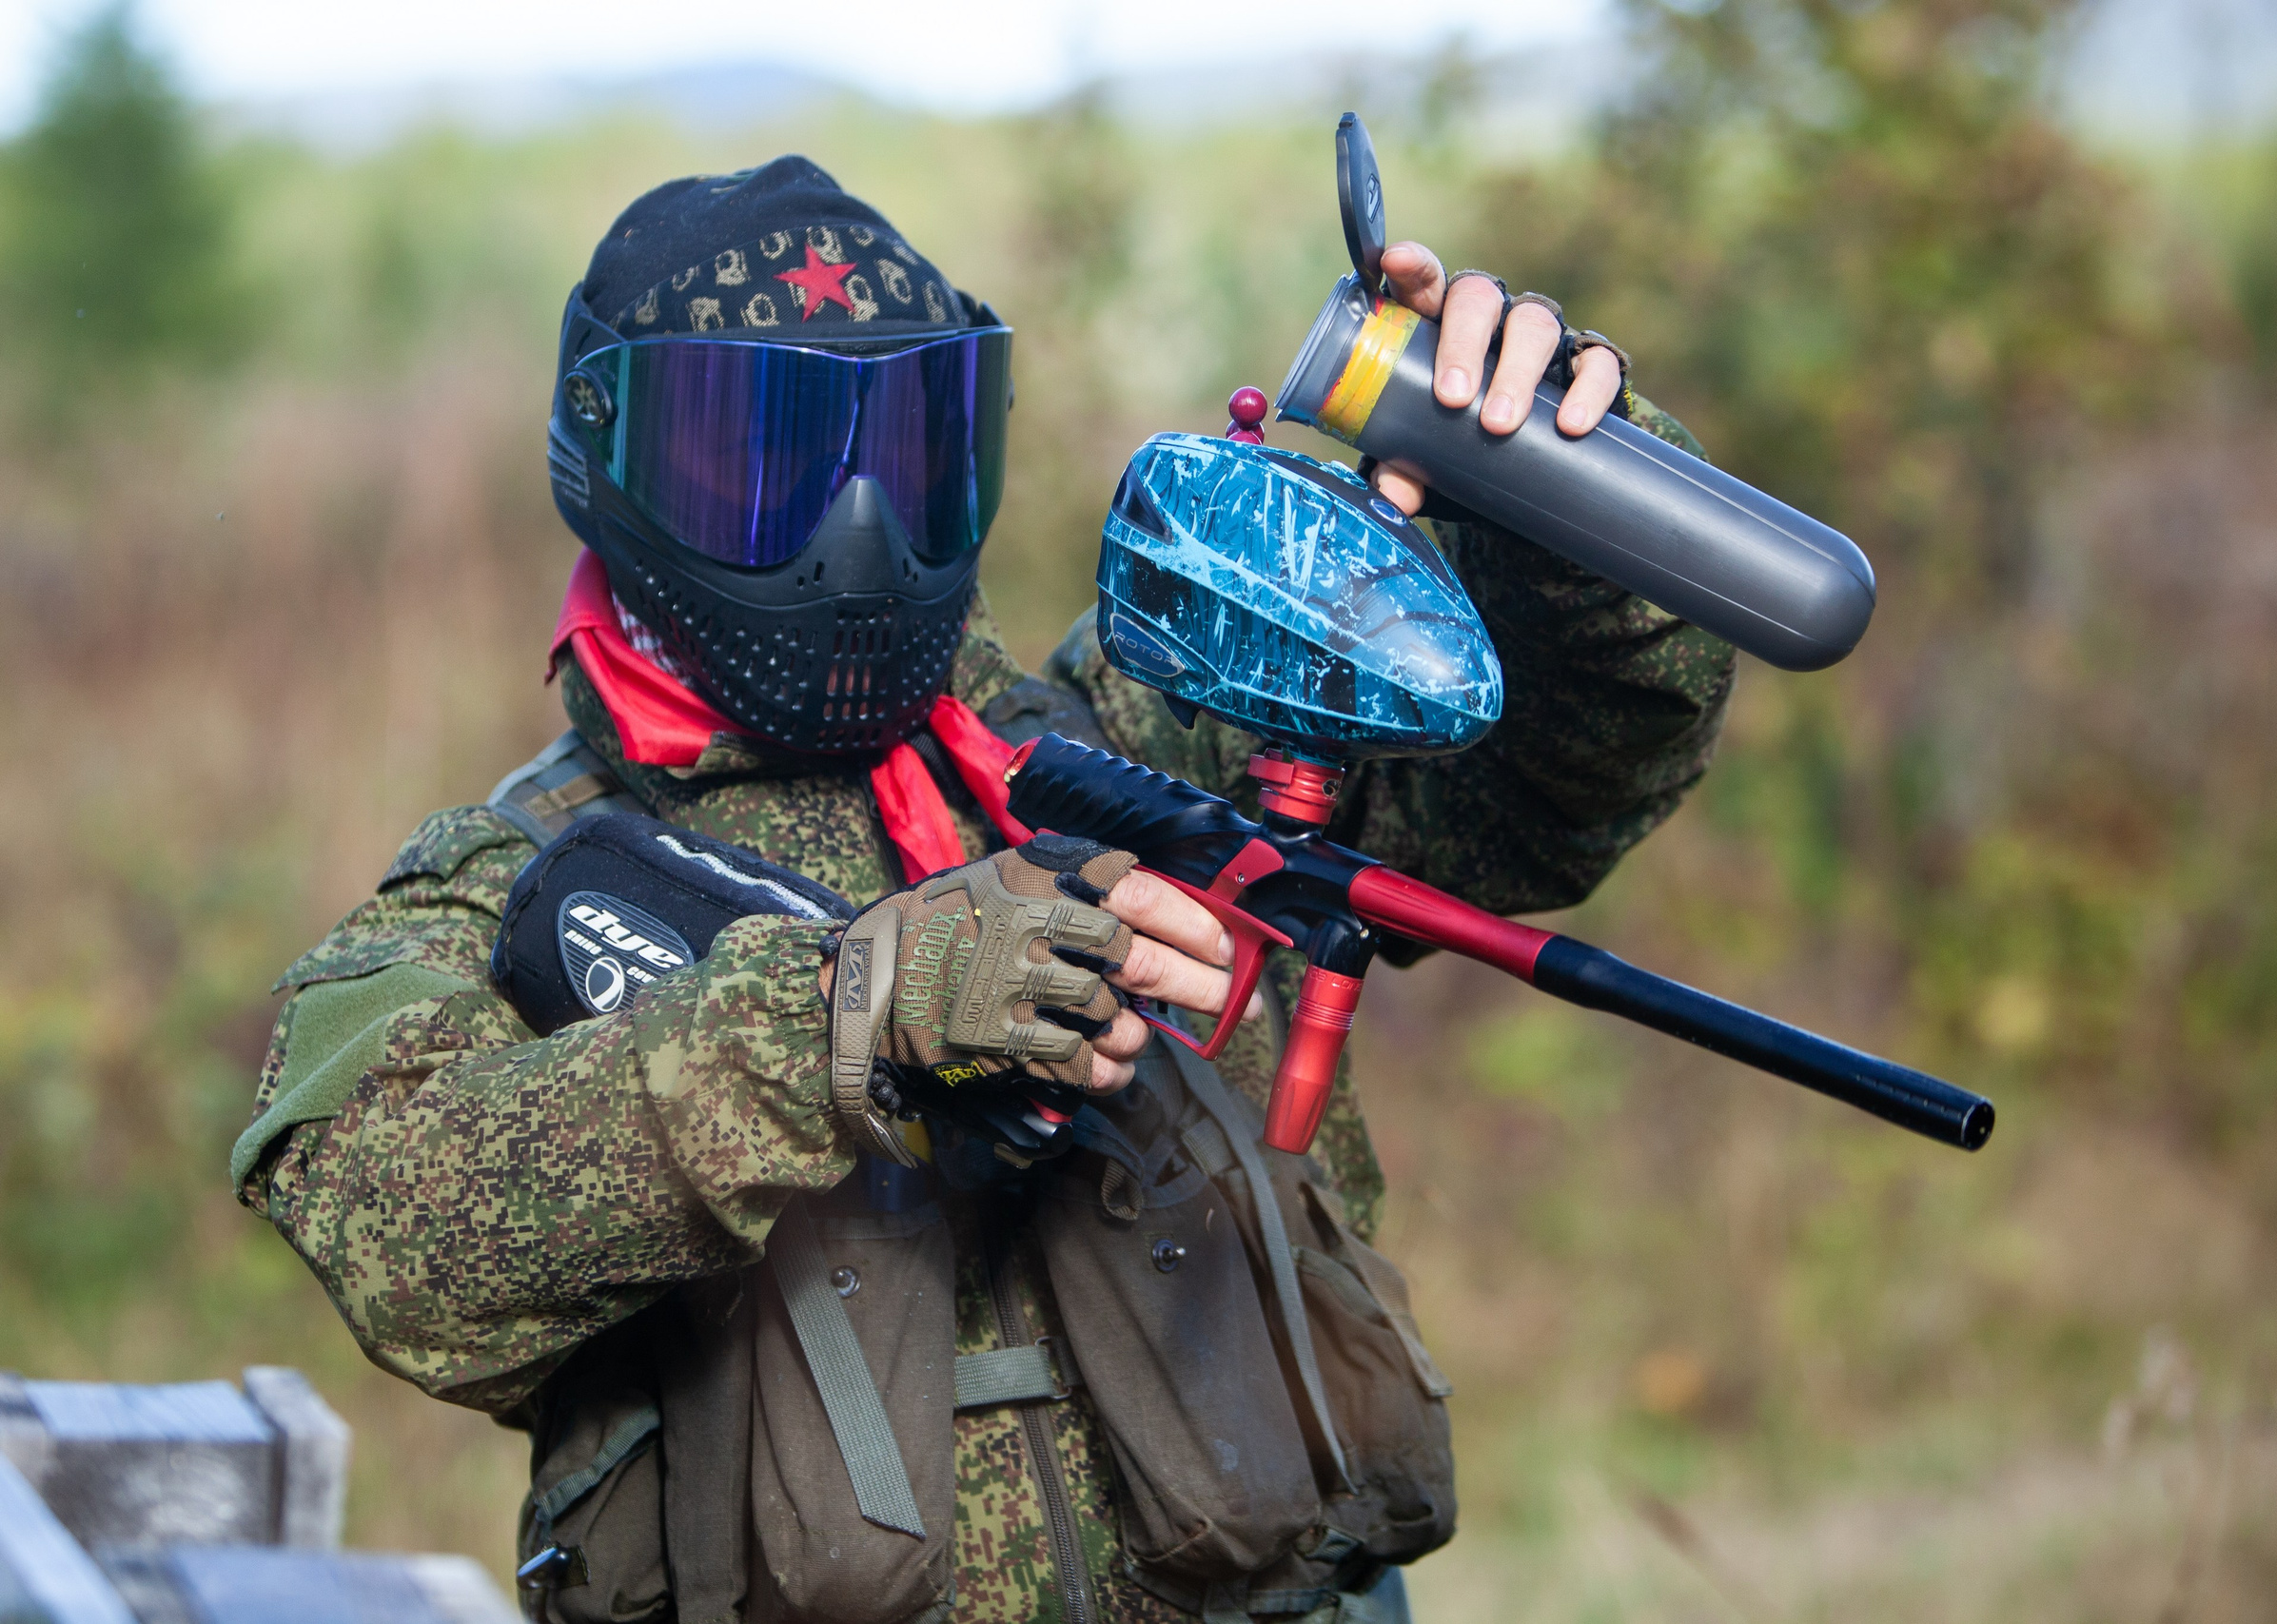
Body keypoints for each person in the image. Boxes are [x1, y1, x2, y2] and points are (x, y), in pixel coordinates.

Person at [235, 156, 1735, 1624]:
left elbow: (1563, 779)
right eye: (769, 461)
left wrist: (1553, 489)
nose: (859, 534)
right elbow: (396, 1230)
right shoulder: (510, 885)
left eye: (910, 444)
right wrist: (842, 1020)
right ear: (610, 459)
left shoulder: (1160, 738)